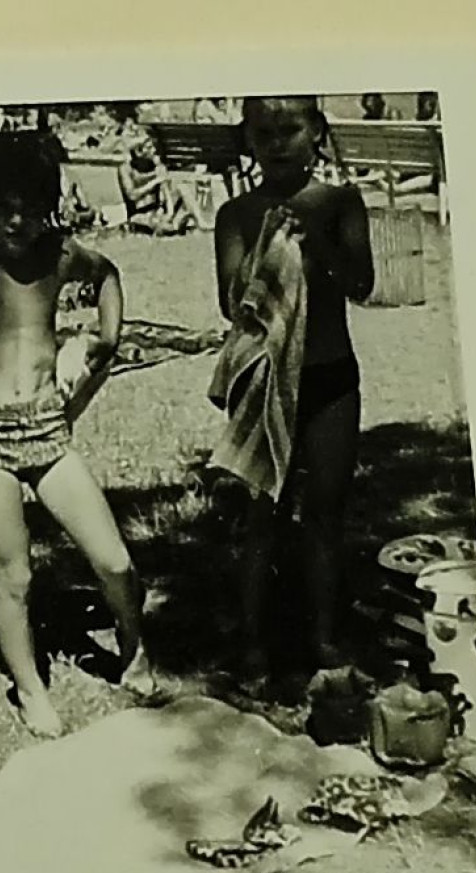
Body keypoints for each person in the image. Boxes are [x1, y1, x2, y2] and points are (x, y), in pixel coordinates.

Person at [0, 130, 155, 737]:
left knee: (115, 560)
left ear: (48, 202)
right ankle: (30, 688)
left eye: (28, 205)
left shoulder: (61, 254)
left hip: (46, 424)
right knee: (14, 574)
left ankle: (135, 643)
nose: (15, 219)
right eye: (1, 205)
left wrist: (105, 339)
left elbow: (108, 274)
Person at [211, 95, 374, 686]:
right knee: (262, 515)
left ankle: (324, 636)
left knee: (325, 514)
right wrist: (266, 251)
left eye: (291, 129)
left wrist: (319, 247)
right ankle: (255, 641)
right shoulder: (236, 213)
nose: (278, 143)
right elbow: (232, 302)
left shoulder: (339, 203)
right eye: (264, 132)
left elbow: (362, 284)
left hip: (330, 378)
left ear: (317, 133)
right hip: (264, 378)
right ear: (247, 140)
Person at [117, 136, 198, 235]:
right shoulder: (125, 169)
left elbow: (165, 192)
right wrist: (154, 181)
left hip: (159, 211)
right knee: (154, 223)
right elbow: (132, 195)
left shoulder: (155, 166)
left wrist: (169, 212)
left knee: (183, 188)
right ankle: (172, 226)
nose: (154, 150)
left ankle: (199, 222)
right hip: (140, 214)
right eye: (149, 148)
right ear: (139, 152)